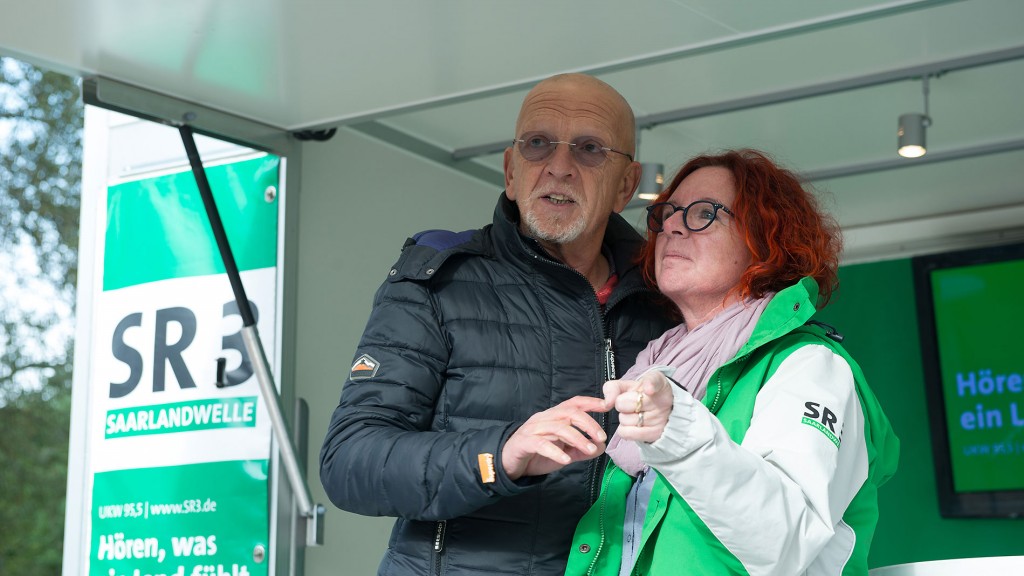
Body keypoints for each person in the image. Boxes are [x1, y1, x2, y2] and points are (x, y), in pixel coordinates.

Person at [319, 73, 676, 576]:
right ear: (510, 171)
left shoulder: (667, 303)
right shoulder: (436, 280)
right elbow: (349, 463)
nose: (558, 167)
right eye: (537, 144)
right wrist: (500, 454)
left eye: (590, 149)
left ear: (626, 185)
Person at [565, 149, 900, 576]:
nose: (670, 226)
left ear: (764, 239)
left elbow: (786, 540)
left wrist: (680, 433)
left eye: (703, 214)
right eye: (667, 213)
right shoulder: (654, 366)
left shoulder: (810, 366)